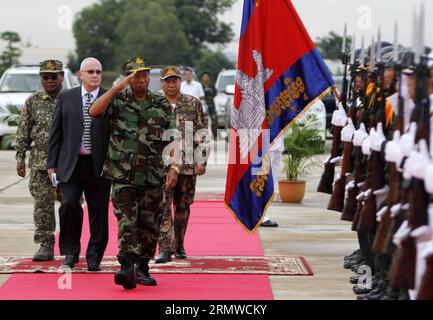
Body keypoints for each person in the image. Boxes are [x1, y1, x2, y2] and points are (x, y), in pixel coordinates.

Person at [89, 57, 179, 290]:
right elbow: (93, 111)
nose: (142, 79)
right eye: (137, 75)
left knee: (149, 224)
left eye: (145, 74)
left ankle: (142, 267)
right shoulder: (117, 100)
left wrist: (174, 168)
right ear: (128, 78)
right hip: (122, 175)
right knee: (127, 222)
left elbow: (174, 138)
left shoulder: (160, 104)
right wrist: (117, 88)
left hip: (152, 176)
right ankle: (127, 266)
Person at [47, 57, 111, 271]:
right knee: (68, 206)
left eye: (98, 72)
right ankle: (70, 252)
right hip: (70, 164)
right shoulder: (66, 97)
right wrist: (51, 165)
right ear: (81, 75)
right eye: (90, 71)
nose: (95, 75)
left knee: (98, 212)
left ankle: (94, 256)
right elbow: (56, 133)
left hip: (99, 165)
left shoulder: (109, 97)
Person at [155, 66, 209, 263]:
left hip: (187, 164)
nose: (171, 84)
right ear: (161, 83)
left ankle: (179, 243)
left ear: (180, 81)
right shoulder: (155, 104)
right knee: (162, 206)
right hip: (161, 166)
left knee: (182, 206)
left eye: (174, 80)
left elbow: (202, 132)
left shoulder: (192, 103)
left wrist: (201, 160)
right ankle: (165, 247)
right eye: (167, 81)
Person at [15, 60, 64, 261]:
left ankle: (71, 245)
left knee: (70, 206)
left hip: (66, 164)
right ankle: (45, 245)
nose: (49, 80)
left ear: (61, 76)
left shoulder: (71, 99)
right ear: (40, 78)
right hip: (40, 164)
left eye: (53, 76)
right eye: (45, 76)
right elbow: (23, 132)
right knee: (43, 206)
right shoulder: (33, 101)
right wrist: (20, 157)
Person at [260, 137, 281, 228]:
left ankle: (261, 213)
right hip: (265, 136)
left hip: (276, 138)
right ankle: (259, 215)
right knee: (264, 174)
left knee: (275, 161)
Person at [200, 71, 218, 139]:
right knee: (204, 121)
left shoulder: (212, 86)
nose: (205, 78)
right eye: (204, 77)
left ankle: (215, 135)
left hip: (211, 105)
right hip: (203, 106)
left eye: (207, 77)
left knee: (214, 120)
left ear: (209, 78)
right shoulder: (200, 86)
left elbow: (215, 94)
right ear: (202, 78)